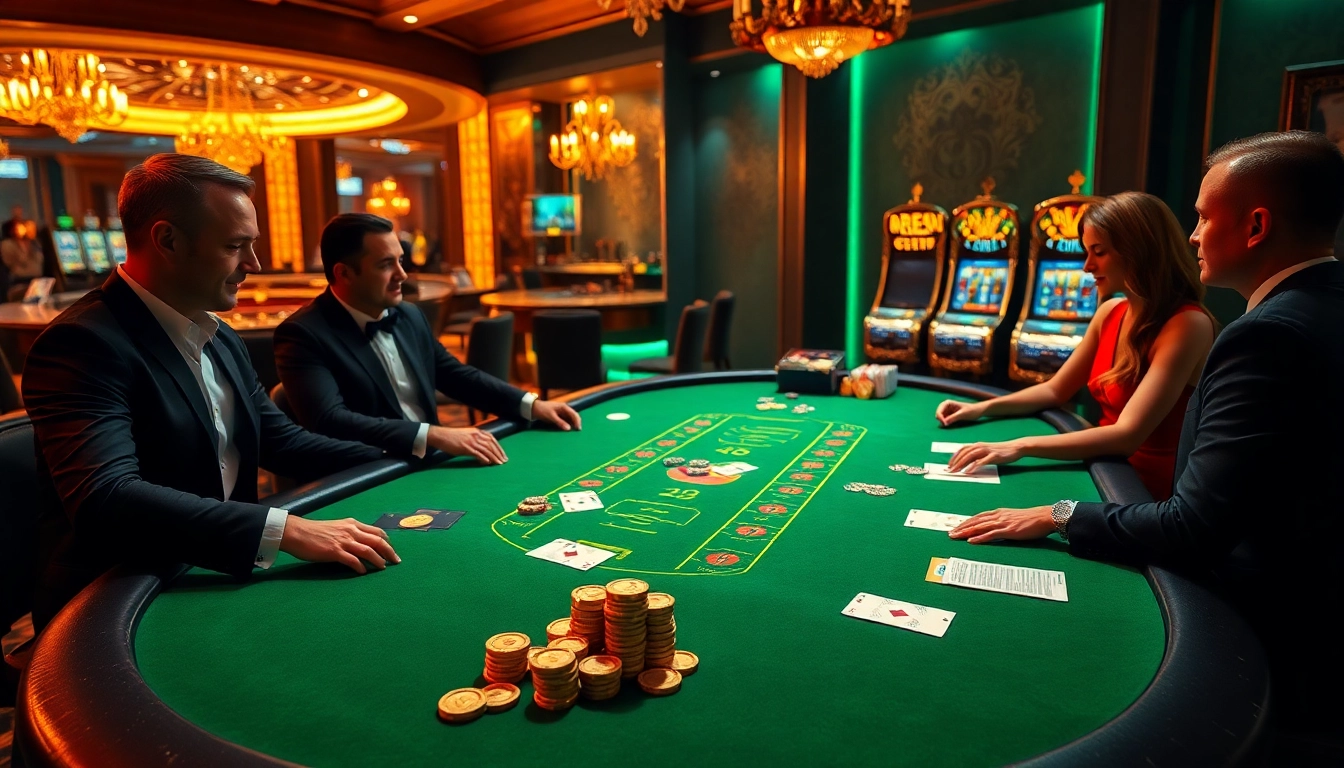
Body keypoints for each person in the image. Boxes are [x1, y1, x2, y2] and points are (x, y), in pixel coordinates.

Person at [949, 131, 1344, 755]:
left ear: (1257, 225)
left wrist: (1056, 511)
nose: (1193, 234)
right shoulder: (1319, 308)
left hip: (1281, 629)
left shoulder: (1259, 335)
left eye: (1204, 216)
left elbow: (1194, 525)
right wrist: (985, 411)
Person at [22, 154, 400, 631]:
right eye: (234, 245)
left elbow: (279, 438)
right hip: (115, 601)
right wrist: (284, 530)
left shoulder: (219, 335)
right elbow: (107, 497)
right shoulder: (83, 343)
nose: (253, 264)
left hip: (213, 574)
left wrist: (395, 456)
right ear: (168, 240)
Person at [934, 192, 1216, 499]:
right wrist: (979, 408)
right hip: (1102, 469)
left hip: (1146, 496)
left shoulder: (1188, 324)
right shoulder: (1111, 312)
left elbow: (1127, 436)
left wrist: (1018, 446)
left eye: (1099, 252)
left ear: (1137, 252)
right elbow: (1056, 390)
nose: (1086, 266)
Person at [274, 213, 581, 464]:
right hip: (368, 473)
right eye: (385, 265)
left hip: (431, 461)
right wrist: (432, 434)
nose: (402, 275)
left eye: (400, 261)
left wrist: (530, 404)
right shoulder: (304, 334)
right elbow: (330, 420)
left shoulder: (409, 315)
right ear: (344, 274)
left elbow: (455, 375)